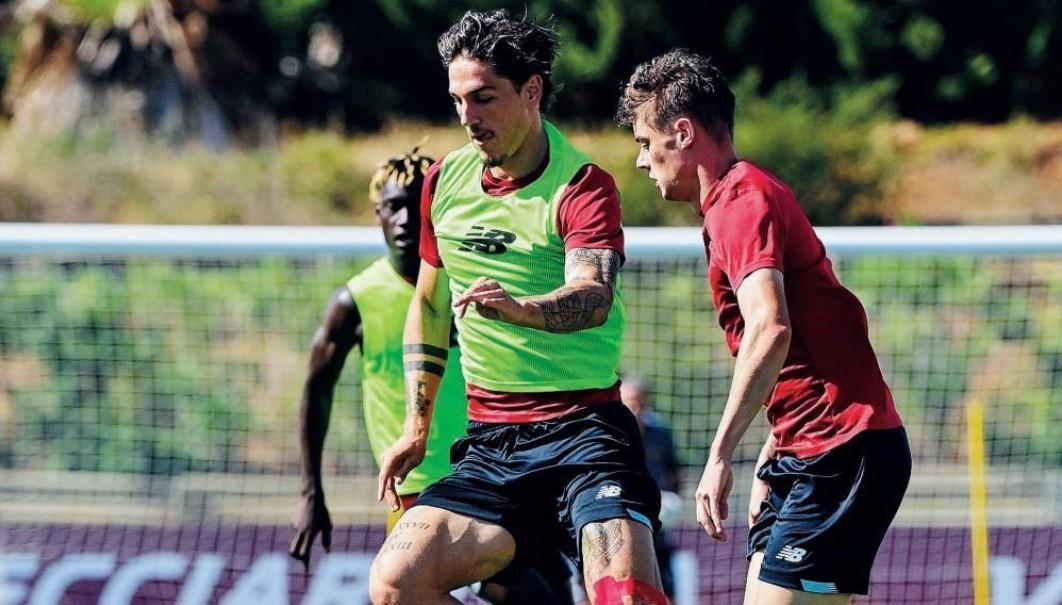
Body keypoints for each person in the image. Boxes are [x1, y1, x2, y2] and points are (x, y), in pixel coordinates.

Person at [369, 9, 667, 605]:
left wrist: (522, 308)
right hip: (493, 444)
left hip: (586, 435)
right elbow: (429, 303)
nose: (467, 118)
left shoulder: (581, 185)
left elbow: (592, 297)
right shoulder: (444, 182)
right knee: (395, 586)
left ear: (531, 91)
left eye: (483, 98)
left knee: (626, 596)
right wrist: (416, 427)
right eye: (458, 101)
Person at [618, 49, 911, 604]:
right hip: (808, 449)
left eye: (643, 142)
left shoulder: (742, 201)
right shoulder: (738, 200)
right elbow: (813, 338)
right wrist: (776, 446)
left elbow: (770, 329)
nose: (640, 161)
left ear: (681, 133)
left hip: (840, 449)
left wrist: (721, 454)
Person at [288, 149, 572, 605]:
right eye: (392, 206)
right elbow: (316, 392)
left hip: (496, 474)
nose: (403, 219)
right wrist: (311, 493)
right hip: (416, 492)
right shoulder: (355, 302)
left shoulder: (481, 285)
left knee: (548, 593)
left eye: (414, 205)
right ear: (377, 212)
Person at [620, 377, 681, 601]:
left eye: (638, 403)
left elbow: (675, 473)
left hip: (657, 528)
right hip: (620, 523)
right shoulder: (607, 435)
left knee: (664, 590)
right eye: (627, 403)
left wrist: (671, 500)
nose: (634, 409)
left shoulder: (661, 434)